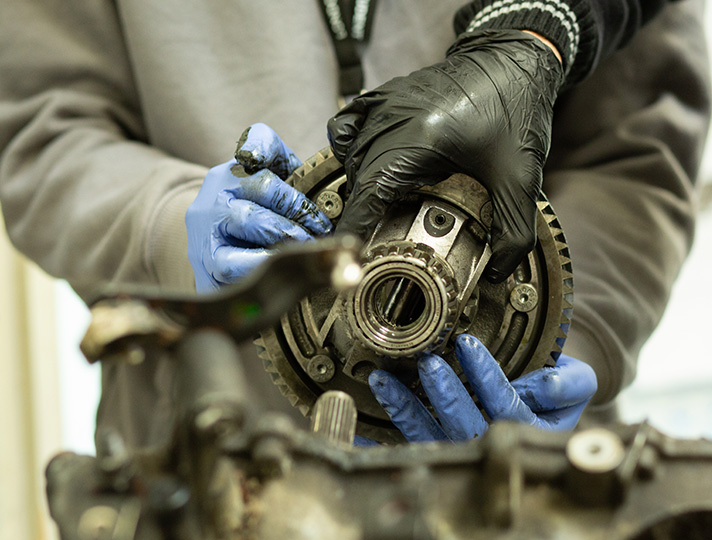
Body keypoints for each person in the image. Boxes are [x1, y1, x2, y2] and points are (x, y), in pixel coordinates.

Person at [0, 1, 707, 448]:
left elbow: (634, 149)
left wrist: (572, 338)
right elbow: (39, 135)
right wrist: (162, 220)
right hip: (206, 466)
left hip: (515, 491)